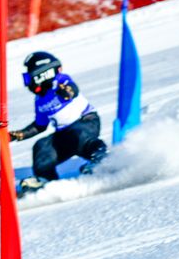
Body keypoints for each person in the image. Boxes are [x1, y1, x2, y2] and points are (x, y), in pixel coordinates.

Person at [9, 51, 107, 192]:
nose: (27, 83)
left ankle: (100, 158)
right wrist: (19, 134)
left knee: (78, 135)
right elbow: (40, 125)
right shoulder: (40, 100)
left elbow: (72, 89)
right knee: (42, 146)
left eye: (29, 78)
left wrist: (68, 91)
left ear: (41, 75)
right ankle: (46, 180)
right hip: (64, 134)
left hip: (86, 122)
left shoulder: (59, 81)